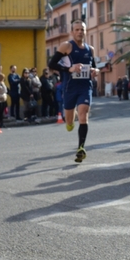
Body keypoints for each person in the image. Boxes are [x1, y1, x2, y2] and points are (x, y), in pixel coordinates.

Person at [48, 19, 97, 163]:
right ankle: (69, 121)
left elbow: (92, 66)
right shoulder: (67, 46)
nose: (80, 32)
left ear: (85, 31)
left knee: (83, 115)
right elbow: (51, 64)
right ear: (72, 32)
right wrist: (68, 69)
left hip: (84, 87)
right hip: (69, 88)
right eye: (77, 29)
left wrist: (95, 71)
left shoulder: (90, 49)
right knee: (69, 122)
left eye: (82, 29)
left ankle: (81, 148)